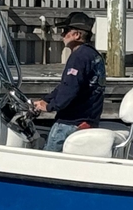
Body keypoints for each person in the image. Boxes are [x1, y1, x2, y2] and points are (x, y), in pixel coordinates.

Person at [34, 11, 106, 152]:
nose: (62, 34)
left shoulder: (78, 57)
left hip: (70, 123)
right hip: (88, 120)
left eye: (66, 30)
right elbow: (66, 85)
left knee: (48, 160)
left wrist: (50, 107)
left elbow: (70, 89)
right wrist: (46, 99)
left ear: (76, 35)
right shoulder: (94, 55)